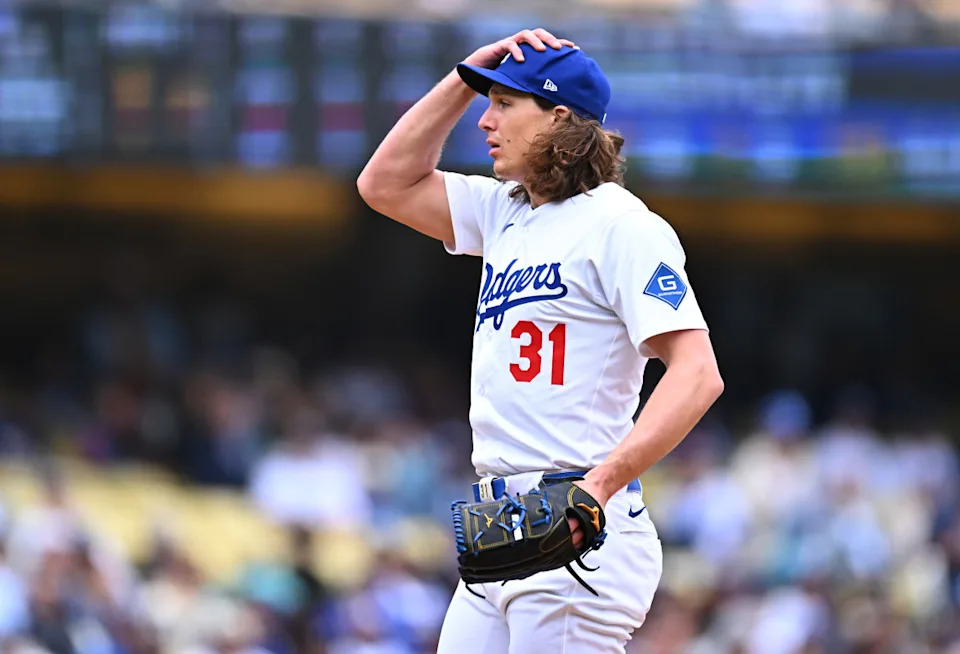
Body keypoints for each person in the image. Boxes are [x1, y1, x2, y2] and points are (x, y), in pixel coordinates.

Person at [357, 28, 724, 654]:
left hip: (577, 523)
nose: (485, 121)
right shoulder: (504, 210)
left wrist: (601, 485)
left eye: (504, 104)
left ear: (558, 118)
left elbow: (697, 374)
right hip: (501, 524)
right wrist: (463, 75)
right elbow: (383, 184)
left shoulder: (622, 225)